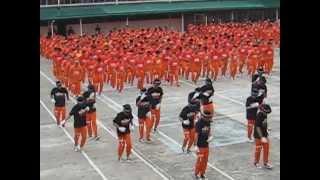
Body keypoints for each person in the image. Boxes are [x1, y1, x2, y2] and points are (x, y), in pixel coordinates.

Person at [194, 110, 214, 179]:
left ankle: (202, 173)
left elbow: (209, 130)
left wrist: (210, 136)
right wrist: (195, 145)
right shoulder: (199, 123)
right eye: (208, 118)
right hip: (200, 146)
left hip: (206, 145)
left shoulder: (208, 122)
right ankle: (197, 174)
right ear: (204, 117)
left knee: (205, 161)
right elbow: (196, 135)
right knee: (200, 161)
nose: (209, 119)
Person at [253, 103, 272, 169]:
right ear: (262, 110)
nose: (267, 114)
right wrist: (262, 137)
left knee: (266, 149)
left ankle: (265, 163)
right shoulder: (259, 116)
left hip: (264, 135)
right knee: (258, 149)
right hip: (258, 136)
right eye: (266, 112)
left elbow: (264, 123)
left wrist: (267, 128)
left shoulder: (265, 114)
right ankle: (256, 162)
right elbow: (257, 127)